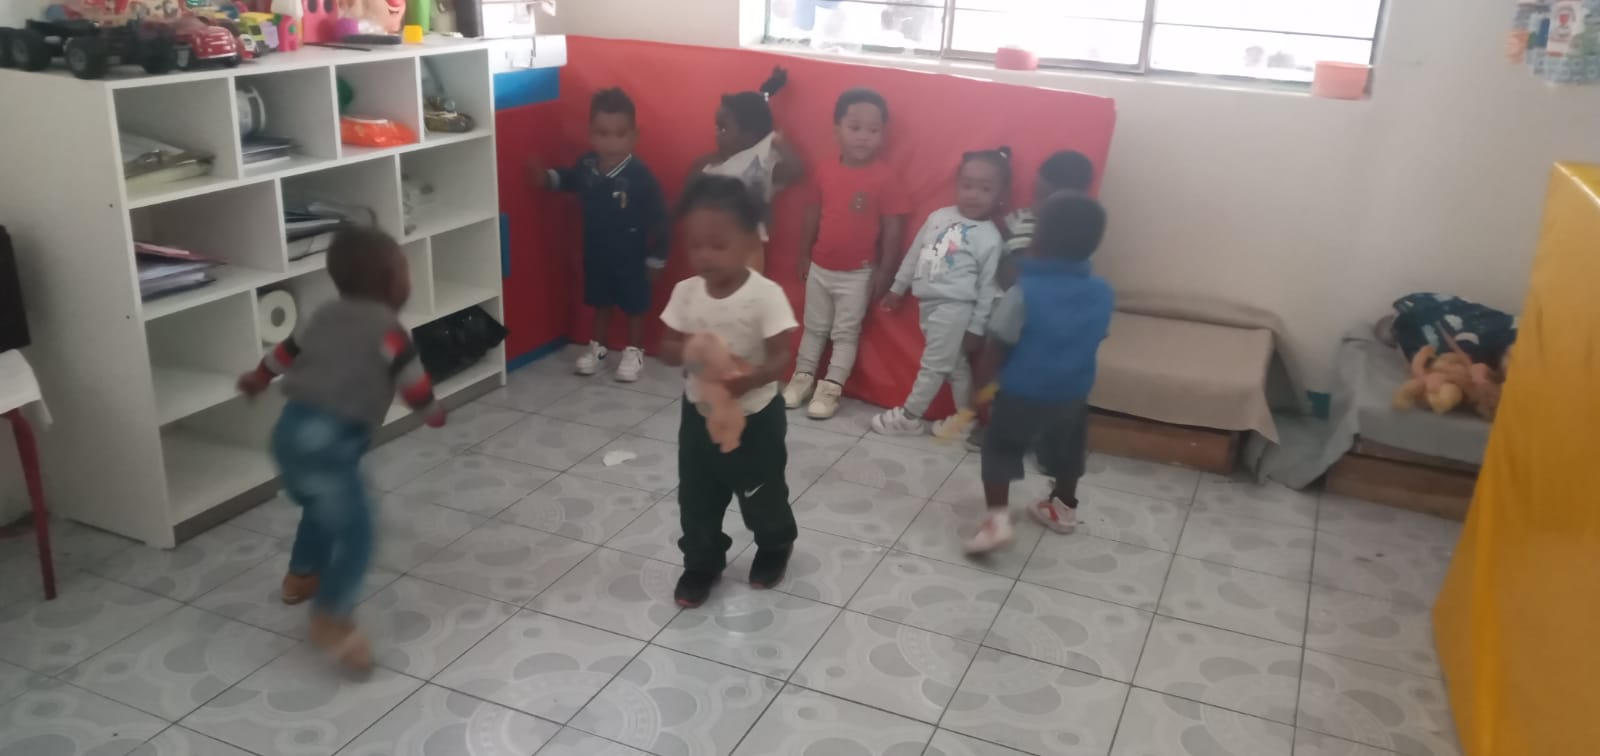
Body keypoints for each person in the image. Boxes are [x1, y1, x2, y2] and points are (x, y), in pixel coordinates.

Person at [237, 226, 446, 672]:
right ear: (390, 282)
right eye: (405, 269)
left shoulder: (322, 316)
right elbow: (413, 385)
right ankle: (331, 616)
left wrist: (258, 377)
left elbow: (285, 352)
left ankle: (300, 577)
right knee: (358, 534)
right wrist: (432, 411)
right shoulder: (390, 333)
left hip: (289, 434)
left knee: (319, 506)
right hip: (330, 443)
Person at [657, 176, 801, 608]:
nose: (704, 255)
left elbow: (781, 357)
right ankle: (701, 562)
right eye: (695, 245)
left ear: (750, 242)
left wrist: (751, 378)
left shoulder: (765, 296)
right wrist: (692, 351)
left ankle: (775, 544)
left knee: (761, 492)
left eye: (718, 245)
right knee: (696, 495)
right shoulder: (686, 293)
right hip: (699, 414)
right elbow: (666, 347)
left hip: (756, 417)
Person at [965, 192, 1112, 553]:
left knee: (1000, 449)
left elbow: (997, 346)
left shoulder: (1023, 292)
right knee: (1069, 451)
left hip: (1021, 394)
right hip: (1073, 394)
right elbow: (1096, 336)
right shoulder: (1103, 293)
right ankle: (1063, 507)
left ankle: (997, 522)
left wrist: (978, 389)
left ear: (1039, 241)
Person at [782, 88, 909, 420]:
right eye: (855, 127)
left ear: (883, 135)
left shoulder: (885, 178)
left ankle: (831, 388)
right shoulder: (824, 171)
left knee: (845, 333)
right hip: (820, 267)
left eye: (873, 130)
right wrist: (804, 254)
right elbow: (812, 213)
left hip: (858, 273)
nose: (863, 136)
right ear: (837, 129)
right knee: (814, 326)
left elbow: (893, 228)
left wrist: (886, 271)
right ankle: (802, 378)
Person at [527, 87, 669, 382]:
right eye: (603, 133)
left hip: (631, 254)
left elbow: (660, 219)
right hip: (595, 250)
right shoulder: (587, 166)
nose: (611, 142)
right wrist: (547, 178)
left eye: (620, 134)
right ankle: (598, 347)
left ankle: (634, 351)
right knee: (600, 301)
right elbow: (569, 179)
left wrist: (657, 258)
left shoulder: (641, 176)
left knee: (635, 304)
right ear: (591, 134)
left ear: (634, 136)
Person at [871, 147, 1009, 436]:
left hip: (955, 308)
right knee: (954, 365)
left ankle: (909, 416)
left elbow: (987, 289)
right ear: (957, 184)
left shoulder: (990, 238)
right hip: (928, 304)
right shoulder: (938, 216)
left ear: (1000, 195)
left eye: (985, 189)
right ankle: (965, 421)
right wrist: (897, 288)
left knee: (934, 364)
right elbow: (914, 255)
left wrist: (976, 328)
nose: (974, 195)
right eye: (967, 185)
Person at [964, 150, 1096, 450]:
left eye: (1046, 197)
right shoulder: (1023, 219)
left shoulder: (1078, 233)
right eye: (1037, 194)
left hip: (1047, 320)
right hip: (1013, 312)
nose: (1037, 204)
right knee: (1005, 376)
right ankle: (996, 427)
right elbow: (1006, 265)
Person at [697, 66, 805, 262]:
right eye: (717, 127)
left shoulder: (760, 162)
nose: (716, 134)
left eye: (723, 129)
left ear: (748, 136)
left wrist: (780, 144)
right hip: (712, 245)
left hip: (747, 249)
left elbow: (796, 170)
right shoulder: (712, 163)